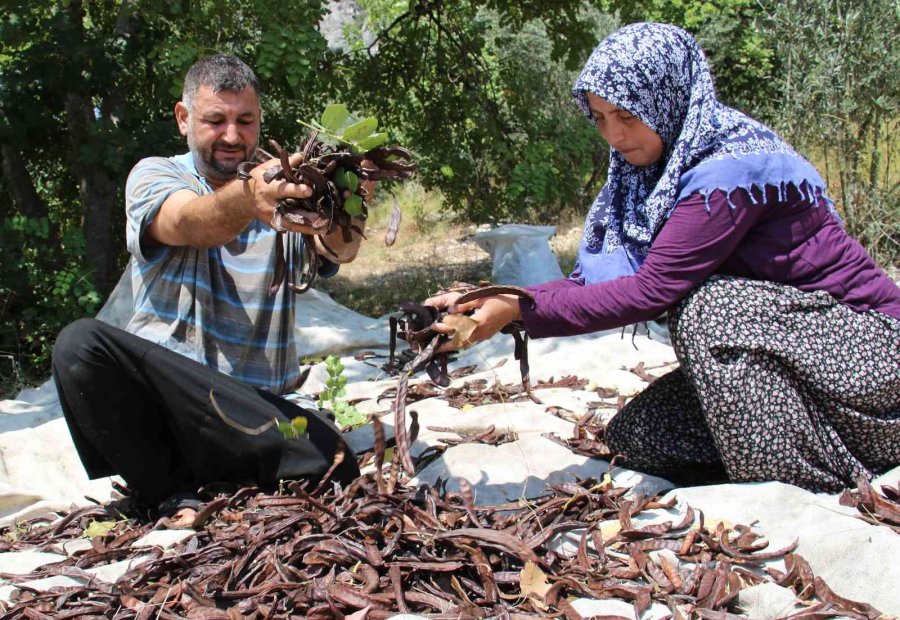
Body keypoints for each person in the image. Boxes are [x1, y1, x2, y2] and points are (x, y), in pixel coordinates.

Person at [427, 23, 900, 493]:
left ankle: (804, 480)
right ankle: (814, 449)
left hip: (870, 358)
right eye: (600, 118)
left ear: (665, 99)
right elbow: (592, 286)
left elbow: (653, 290)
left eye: (627, 115)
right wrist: (487, 299)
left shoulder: (730, 167)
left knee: (711, 310)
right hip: (791, 363)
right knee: (638, 438)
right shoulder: (651, 173)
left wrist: (518, 309)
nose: (614, 135)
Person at [52, 54, 363, 521]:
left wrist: (346, 208)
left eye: (246, 121)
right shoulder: (157, 175)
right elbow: (189, 223)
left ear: (260, 120)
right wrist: (249, 198)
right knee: (80, 346)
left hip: (254, 411)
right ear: (184, 118)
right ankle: (169, 491)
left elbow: (339, 250)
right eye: (216, 120)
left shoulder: (289, 190)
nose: (232, 136)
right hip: (169, 407)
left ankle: (211, 477)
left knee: (332, 457)